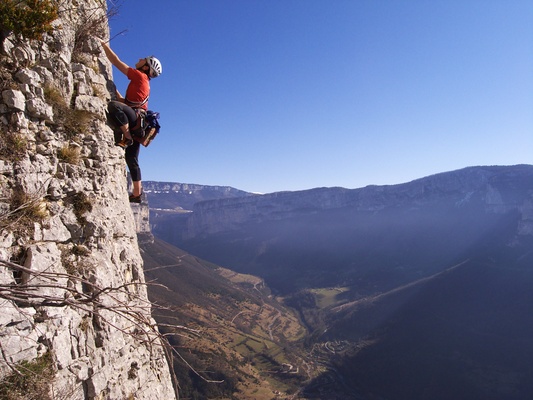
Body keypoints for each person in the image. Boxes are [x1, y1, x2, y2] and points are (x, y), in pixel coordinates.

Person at [99, 38, 162, 203]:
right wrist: (114, 90)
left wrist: (103, 44)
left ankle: (126, 136)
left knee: (113, 106)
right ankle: (136, 194)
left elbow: (116, 61)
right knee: (131, 159)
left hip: (133, 121)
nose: (140, 59)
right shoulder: (144, 82)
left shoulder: (140, 76)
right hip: (137, 122)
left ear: (146, 67)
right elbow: (128, 103)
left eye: (144, 59)